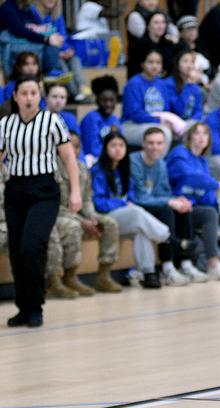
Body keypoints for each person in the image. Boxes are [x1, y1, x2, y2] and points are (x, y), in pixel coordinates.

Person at [1, 74, 81, 328]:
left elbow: (69, 158)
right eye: (23, 93)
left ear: (40, 96)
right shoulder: (5, 124)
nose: (28, 98)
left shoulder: (52, 121)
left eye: (33, 93)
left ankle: (36, 306)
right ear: (15, 96)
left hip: (44, 190)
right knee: (16, 250)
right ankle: (23, 307)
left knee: (31, 246)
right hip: (15, 190)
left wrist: (76, 192)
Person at [166, 121, 220, 279]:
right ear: (189, 137)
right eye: (197, 133)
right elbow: (189, 177)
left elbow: (206, 192)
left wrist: (219, 202)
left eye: (205, 134)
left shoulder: (202, 162)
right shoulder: (179, 153)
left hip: (198, 206)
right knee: (209, 213)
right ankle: (213, 263)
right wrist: (216, 184)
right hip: (181, 209)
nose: (201, 137)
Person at [91, 131, 171, 289]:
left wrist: (128, 204)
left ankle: (149, 274)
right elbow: (98, 202)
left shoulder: (124, 169)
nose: (118, 149)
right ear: (105, 148)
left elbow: (132, 197)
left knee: (139, 230)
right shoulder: (98, 170)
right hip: (104, 216)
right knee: (136, 212)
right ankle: (166, 236)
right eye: (113, 145)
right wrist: (123, 204)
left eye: (121, 145)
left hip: (124, 216)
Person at [50, 132, 123, 296]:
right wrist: (82, 221)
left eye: (76, 146)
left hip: (79, 215)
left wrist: (91, 217)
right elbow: (53, 206)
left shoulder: (82, 169)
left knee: (109, 224)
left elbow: (87, 199)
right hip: (57, 216)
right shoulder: (50, 169)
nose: (72, 150)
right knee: (73, 227)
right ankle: (70, 276)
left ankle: (104, 275)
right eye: (67, 145)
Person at [129, 127, 193, 286]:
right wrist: (168, 202)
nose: (154, 147)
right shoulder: (133, 161)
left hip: (154, 204)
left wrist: (178, 200)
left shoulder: (161, 165)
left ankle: (186, 264)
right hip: (137, 206)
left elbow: (164, 192)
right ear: (143, 144)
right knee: (167, 210)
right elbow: (139, 197)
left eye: (159, 143)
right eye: (150, 143)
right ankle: (167, 266)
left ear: (164, 145)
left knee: (183, 210)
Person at [122, 49, 184, 149]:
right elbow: (134, 114)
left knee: (184, 131)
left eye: (158, 63)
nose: (155, 66)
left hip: (156, 122)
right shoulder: (133, 84)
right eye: (150, 62)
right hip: (132, 124)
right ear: (143, 64)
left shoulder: (161, 83)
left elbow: (167, 109)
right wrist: (158, 121)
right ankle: (159, 164)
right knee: (164, 134)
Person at [80, 75, 121, 167]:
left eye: (111, 100)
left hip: (111, 159)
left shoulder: (115, 119)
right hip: (94, 162)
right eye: (104, 100)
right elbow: (91, 149)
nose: (108, 104)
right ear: (97, 100)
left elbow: (121, 143)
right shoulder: (91, 119)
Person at [166, 50, 205, 131]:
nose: (189, 65)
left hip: (190, 123)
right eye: (185, 61)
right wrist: (187, 85)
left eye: (192, 62)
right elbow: (179, 110)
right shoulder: (169, 84)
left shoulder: (194, 87)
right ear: (177, 64)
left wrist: (193, 122)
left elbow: (199, 111)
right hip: (174, 123)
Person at [174, 15, 210, 83]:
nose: (192, 32)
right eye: (188, 29)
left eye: (194, 28)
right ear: (181, 32)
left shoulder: (202, 46)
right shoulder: (177, 49)